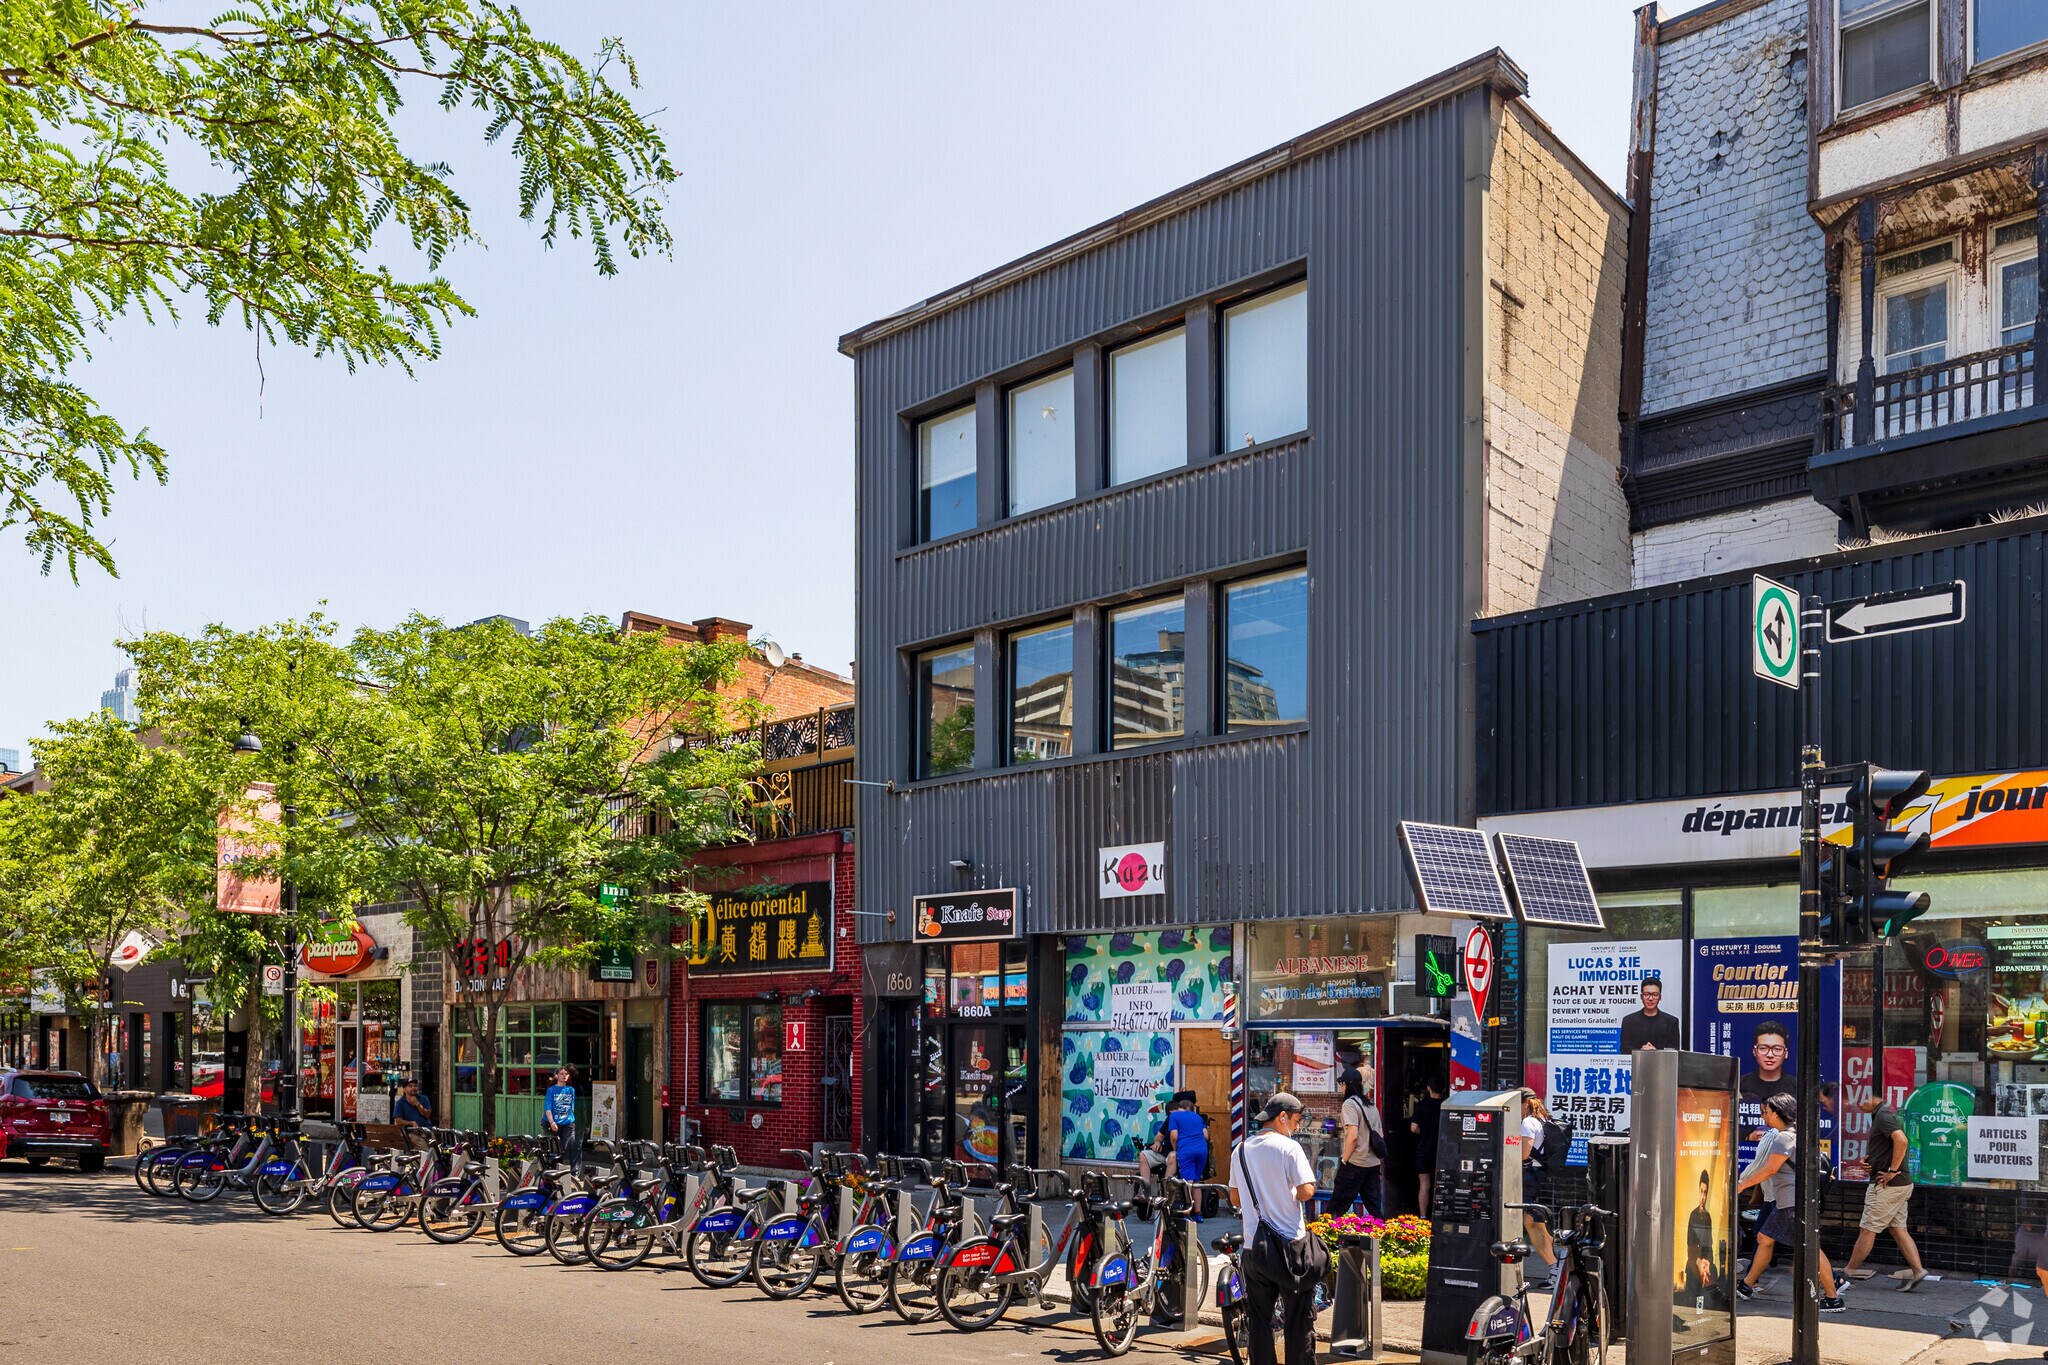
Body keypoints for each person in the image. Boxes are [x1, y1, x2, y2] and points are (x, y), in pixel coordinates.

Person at [1229, 1093, 1321, 1365]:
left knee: (1259, 1320)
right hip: (1290, 1248)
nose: (1295, 1127)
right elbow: (1306, 1191)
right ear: (1282, 1117)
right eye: (1294, 1121)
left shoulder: (1241, 1150)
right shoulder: (1289, 1148)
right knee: (1298, 1319)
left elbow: (1234, 1198)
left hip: (1253, 1247)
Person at [1734, 1095, 1845, 1312]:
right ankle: (1747, 1285)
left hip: (1793, 1201)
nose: (1763, 1116)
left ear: (1777, 1112)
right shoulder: (1800, 1133)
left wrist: (1740, 1186)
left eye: (1766, 1112)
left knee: (1810, 1247)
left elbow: (1769, 1169)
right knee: (1764, 1238)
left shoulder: (1783, 1138)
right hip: (1793, 1200)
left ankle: (1833, 1298)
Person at [1841, 1090, 1927, 1291]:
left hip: (1888, 1186)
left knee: (1867, 1229)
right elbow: (1888, 1146)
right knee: (1898, 1229)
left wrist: (1892, 1171)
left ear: (1872, 1098)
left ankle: (1846, 1273)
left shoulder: (1883, 1115)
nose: (1856, 1105)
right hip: (1899, 1185)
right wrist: (1869, 1160)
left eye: (1859, 1100)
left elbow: (1902, 1140)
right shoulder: (1881, 1114)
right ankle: (1918, 1271)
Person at [1519, 1089, 1560, 1286]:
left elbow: (1523, 1154)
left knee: (1533, 1225)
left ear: (1525, 1103)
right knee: (1537, 1225)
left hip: (1530, 1179)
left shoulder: (1528, 1122)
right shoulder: (1542, 1119)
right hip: (1539, 1177)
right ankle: (1556, 1269)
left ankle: (1555, 1269)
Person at [1332, 1068, 1384, 1217]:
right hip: (1373, 1164)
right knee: (1375, 1210)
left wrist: (1344, 1160)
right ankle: (1379, 1237)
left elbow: (1353, 1136)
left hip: (1354, 1163)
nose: (1341, 1088)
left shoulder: (1349, 1104)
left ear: (1346, 1085)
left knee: (1337, 1207)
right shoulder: (1372, 1106)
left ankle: (1327, 1238)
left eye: (1341, 1084)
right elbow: (1380, 1135)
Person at [1411, 1077, 1446, 1217]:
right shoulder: (1446, 1105)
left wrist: (1424, 1131)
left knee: (1424, 1184)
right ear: (1443, 1089)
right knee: (1442, 1184)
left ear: (1428, 1088)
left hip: (1424, 1149)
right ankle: (1439, 1216)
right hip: (1441, 1151)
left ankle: (1423, 1216)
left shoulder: (1422, 1105)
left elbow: (1413, 1128)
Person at [1619, 976, 1683, 1052]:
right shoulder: (1628, 1021)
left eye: (1655, 994)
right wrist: (1642, 1052)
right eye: (1646, 994)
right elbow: (1624, 1049)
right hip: (1636, 1063)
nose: (1650, 998)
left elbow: (1674, 1050)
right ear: (1641, 996)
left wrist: (1655, 1052)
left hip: (1662, 1063)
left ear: (1660, 997)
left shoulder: (1671, 1022)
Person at [1165, 1089, 1211, 1183]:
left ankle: (1187, 1198)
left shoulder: (1174, 1116)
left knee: (1188, 1182)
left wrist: (1176, 1149)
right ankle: (1197, 1198)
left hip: (1186, 1150)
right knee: (1196, 1182)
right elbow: (1206, 1136)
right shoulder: (1198, 1117)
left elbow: (1174, 1137)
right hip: (1202, 1150)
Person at [543, 1064, 582, 1172]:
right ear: (556, 1076)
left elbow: (571, 1107)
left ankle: (575, 1172)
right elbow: (547, 1109)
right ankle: (553, 1170)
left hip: (568, 1122)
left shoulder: (571, 1090)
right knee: (554, 1148)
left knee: (572, 1145)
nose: (564, 1076)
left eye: (566, 1074)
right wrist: (552, 1122)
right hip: (553, 1122)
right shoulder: (551, 1090)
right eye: (561, 1074)